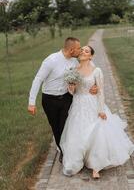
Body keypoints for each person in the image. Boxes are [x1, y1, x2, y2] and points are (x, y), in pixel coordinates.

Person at [60, 45, 134, 179]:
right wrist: (71, 86)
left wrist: (100, 110)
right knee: (78, 133)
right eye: (81, 50)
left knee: (96, 133)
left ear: (91, 56)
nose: (83, 52)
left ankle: (96, 166)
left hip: (93, 104)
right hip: (78, 105)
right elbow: (72, 93)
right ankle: (76, 162)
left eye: (86, 51)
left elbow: (100, 92)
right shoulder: (73, 70)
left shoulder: (96, 71)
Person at [28, 37, 98, 163]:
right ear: (71, 50)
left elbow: (87, 70)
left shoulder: (74, 61)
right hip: (50, 100)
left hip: (67, 97)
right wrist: (31, 103)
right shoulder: (51, 60)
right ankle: (62, 149)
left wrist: (95, 85)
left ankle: (67, 153)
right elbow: (38, 79)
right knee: (56, 127)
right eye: (78, 48)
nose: (80, 50)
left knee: (66, 125)